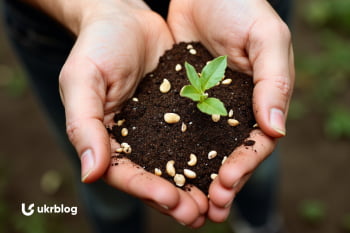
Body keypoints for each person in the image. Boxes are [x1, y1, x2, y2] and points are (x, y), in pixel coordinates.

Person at [1, 0, 294, 232]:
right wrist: (94, 7)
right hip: (61, 29)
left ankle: (258, 222)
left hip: (234, 20)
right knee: (106, 184)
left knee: (256, 161)